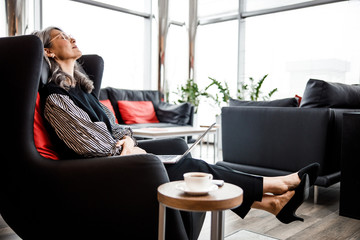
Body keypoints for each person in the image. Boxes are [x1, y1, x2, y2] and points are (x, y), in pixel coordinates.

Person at [32, 26, 320, 224]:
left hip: (120, 159)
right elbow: (90, 144)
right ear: (48, 52)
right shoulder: (56, 99)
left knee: (182, 155)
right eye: (61, 36)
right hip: (94, 174)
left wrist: (130, 143)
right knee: (188, 168)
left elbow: (116, 128)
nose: (71, 38)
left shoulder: (82, 92)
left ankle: (272, 203)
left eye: (70, 34)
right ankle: (278, 185)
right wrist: (124, 152)